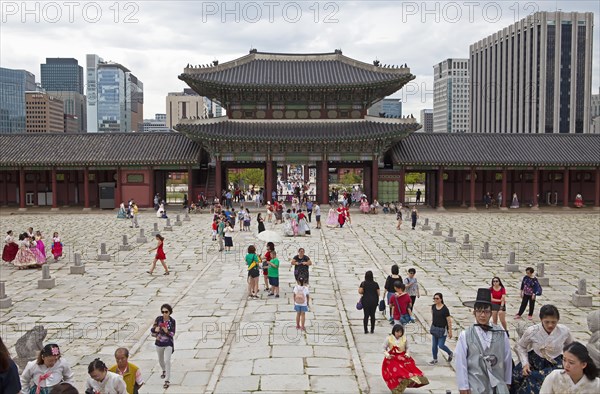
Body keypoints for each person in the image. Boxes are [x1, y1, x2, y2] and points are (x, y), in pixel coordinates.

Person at [455, 288, 512, 394]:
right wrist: (463, 386)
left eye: (486, 311)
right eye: (479, 311)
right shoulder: (465, 335)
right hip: (475, 383)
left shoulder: (501, 332)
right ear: (474, 313)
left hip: (498, 383)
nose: (482, 315)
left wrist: (507, 381)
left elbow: (507, 358)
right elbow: (460, 361)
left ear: (491, 313)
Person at [511, 305, 575, 394]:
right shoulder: (532, 331)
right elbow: (521, 346)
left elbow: (572, 347)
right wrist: (525, 363)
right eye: (547, 322)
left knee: (544, 378)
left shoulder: (564, 331)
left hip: (555, 362)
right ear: (541, 320)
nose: (550, 325)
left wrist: (568, 361)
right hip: (535, 359)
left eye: (553, 322)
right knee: (518, 376)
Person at [381, 324, 429, 393]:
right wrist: (387, 355)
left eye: (400, 332)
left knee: (409, 371)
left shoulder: (404, 339)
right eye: (397, 332)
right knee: (396, 373)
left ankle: (411, 381)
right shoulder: (389, 339)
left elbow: (408, 347)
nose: (399, 334)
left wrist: (407, 354)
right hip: (392, 358)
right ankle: (396, 388)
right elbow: (383, 348)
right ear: (394, 331)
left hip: (403, 357)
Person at [151, 304, 175, 389]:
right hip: (159, 343)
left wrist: (166, 331)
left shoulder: (172, 321)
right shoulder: (158, 319)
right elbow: (152, 329)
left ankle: (167, 380)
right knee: (161, 361)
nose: (164, 313)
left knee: (167, 360)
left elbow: (172, 333)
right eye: (163, 312)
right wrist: (155, 329)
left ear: (169, 312)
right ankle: (164, 370)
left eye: (166, 312)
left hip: (168, 343)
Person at [428, 292, 454, 365]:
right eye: (434, 298)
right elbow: (433, 316)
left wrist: (450, 331)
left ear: (441, 299)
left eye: (437, 298)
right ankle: (435, 359)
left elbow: (449, 321)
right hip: (435, 328)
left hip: (442, 329)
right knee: (434, 345)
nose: (435, 300)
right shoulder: (433, 307)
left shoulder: (445, 309)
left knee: (441, 345)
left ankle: (450, 353)